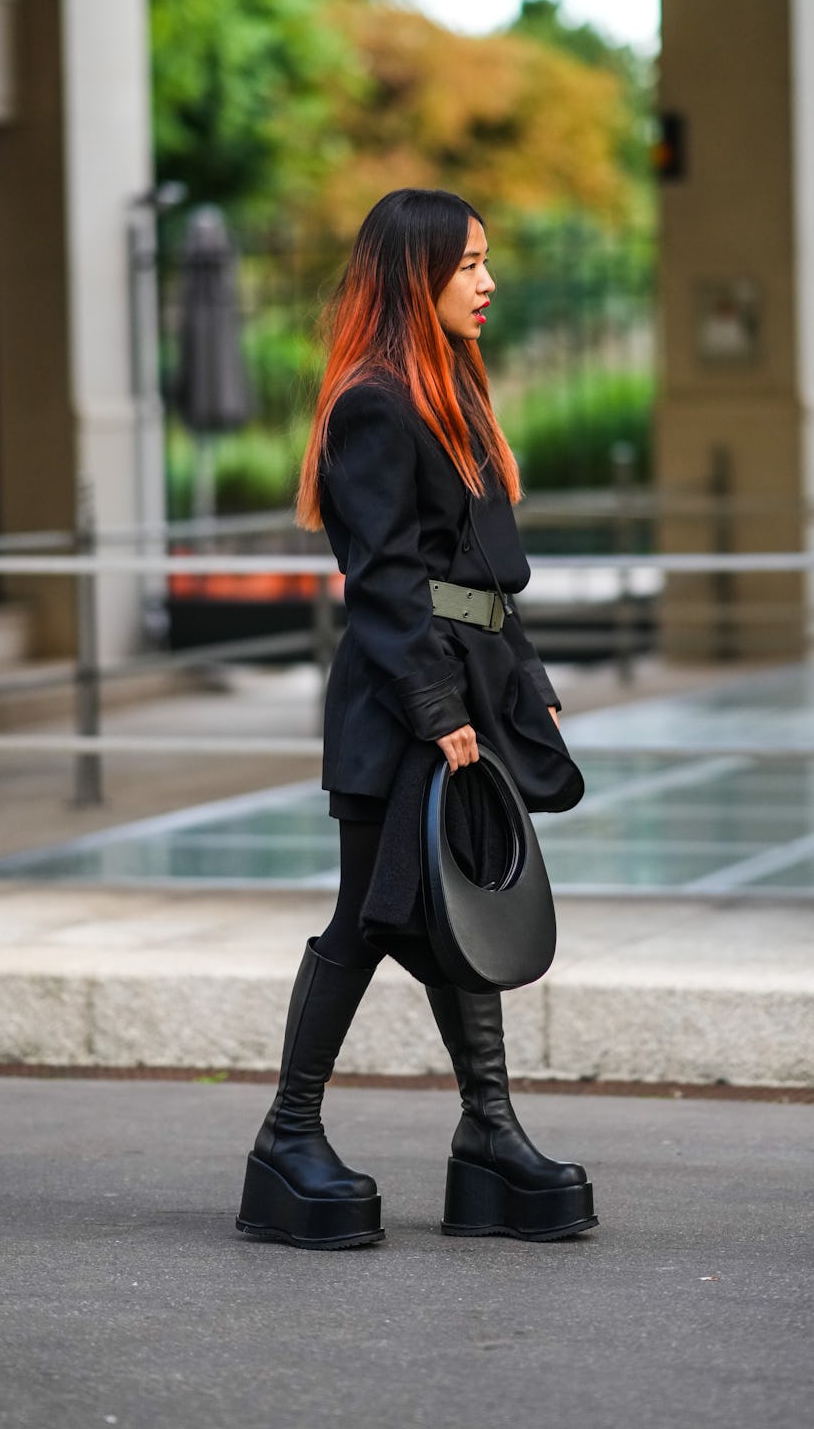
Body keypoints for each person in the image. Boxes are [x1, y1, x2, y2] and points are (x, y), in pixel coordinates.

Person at [236, 188, 597, 1250]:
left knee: (459, 914)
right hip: (404, 702)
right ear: (416, 275)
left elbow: (482, 573)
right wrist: (439, 704)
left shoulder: (455, 390)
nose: (488, 282)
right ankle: (287, 1136)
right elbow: (386, 578)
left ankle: (489, 1132)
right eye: (469, 264)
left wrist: (523, 676)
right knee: (368, 913)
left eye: (488, 261)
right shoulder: (376, 402)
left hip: (465, 690)